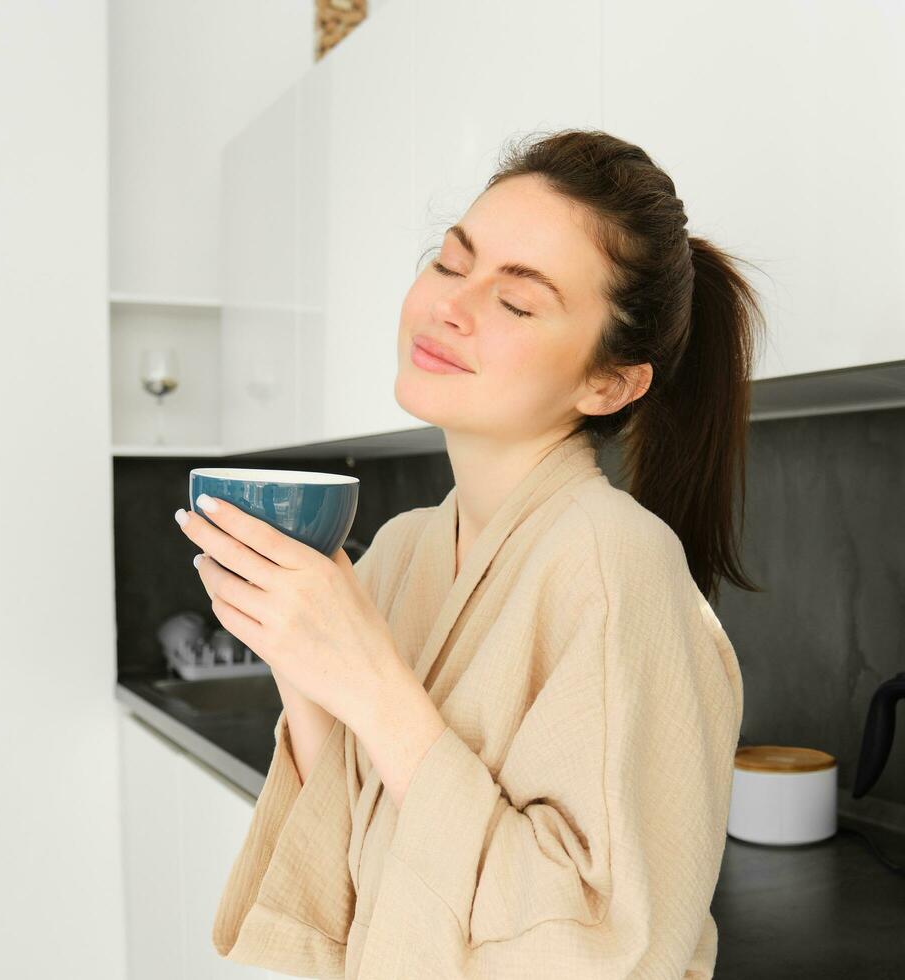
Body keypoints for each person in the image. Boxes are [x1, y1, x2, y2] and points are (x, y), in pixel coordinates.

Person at [177, 128, 764, 978]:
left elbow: (597, 950)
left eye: (518, 302)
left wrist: (373, 686)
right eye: (452, 264)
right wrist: (303, 669)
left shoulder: (616, 563)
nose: (450, 305)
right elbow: (337, 883)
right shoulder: (405, 549)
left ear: (609, 383)